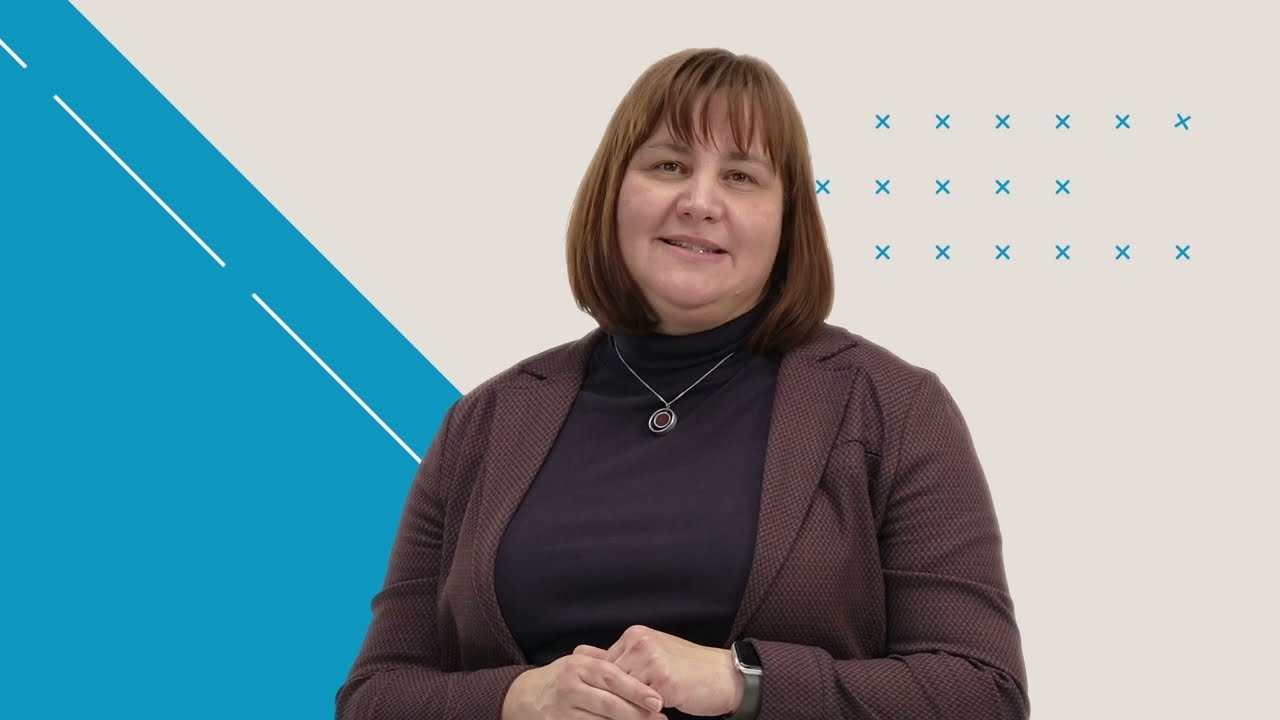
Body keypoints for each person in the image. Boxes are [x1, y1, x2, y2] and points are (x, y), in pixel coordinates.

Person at [335, 48, 1029, 720]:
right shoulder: (487, 421)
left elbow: (982, 692)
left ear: (787, 222)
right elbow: (374, 696)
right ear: (614, 193)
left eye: (741, 176)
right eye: (669, 165)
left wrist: (741, 680)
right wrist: (518, 701)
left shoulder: (891, 408)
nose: (699, 201)